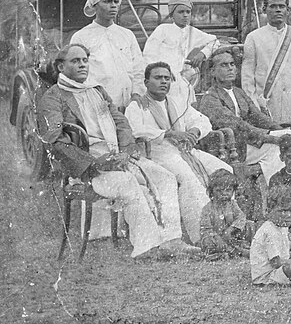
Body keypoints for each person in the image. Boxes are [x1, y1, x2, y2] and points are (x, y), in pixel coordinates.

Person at [38, 44, 198, 259]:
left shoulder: (96, 90)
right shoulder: (52, 98)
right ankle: (146, 248)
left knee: (165, 177)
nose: (83, 65)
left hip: (117, 156)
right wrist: (95, 164)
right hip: (88, 168)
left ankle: (171, 240)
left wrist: (127, 150)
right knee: (128, 183)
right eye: (75, 61)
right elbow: (55, 142)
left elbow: (120, 121)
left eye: (85, 60)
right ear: (60, 66)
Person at [124, 62, 234, 244]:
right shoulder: (138, 106)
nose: (163, 82)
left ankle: (226, 226)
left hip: (184, 150)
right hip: (157, 153)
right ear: (146, 82)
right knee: (189, 179)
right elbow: (134, 129)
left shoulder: (175, 103)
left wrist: (195, 131)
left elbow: (202, 120)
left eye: (167, 78)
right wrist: (168, 133)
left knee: (224, 169)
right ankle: (203, 236)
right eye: (158, 78)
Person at [197, 49, 291, 186]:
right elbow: (237, 125)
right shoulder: (210, 98)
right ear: (212, 72)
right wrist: (270, 137)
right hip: (231, 148)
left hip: (248, 143)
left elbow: (257, 116)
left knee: (286, 139)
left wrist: (278, 129)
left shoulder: (238, 92)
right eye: (223, 65)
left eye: (232, 64)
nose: (230, 68)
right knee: (278, 148)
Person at [241, 0, 291, 123]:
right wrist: (255, 106)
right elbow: (247, 77)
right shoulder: (254, 37)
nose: (278, 10)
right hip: (266, 104)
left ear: (287, 10)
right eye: (273, 6)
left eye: (282, 6)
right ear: (264, 9)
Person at [71, 0, 145, 109]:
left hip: (128, 104)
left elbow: (138, 69)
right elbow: (77, 74)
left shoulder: (127, 35)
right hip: (97, 105)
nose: (113, 6)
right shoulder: (81, 36)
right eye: (107, 1)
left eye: (116, 2)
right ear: (95, 5)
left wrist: (136, 94)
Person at [142, 0, 219, 116]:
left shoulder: (192, 31)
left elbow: (214, 41)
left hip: (181, 80)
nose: (185, 15)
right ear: (172, 15)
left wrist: (202, 54)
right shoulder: (163, 30)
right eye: (181, 12)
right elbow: (148, 55)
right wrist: (162, 72)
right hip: (162, 79)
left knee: (184, 111)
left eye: (188, 12)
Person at [199, 169, 256, 259]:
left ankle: (247, 248)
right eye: (219, 191)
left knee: (250, 225)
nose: (224, 194)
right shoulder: (207, 209)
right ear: (211, 191)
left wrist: (231, 229)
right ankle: (226, 253)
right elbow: (206, 228)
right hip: (218, 239)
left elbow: (241, 217)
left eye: (228, 190)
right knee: (207, 240)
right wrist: (217, 237)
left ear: (233, 191)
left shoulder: (233, 204)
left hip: (232, 236)